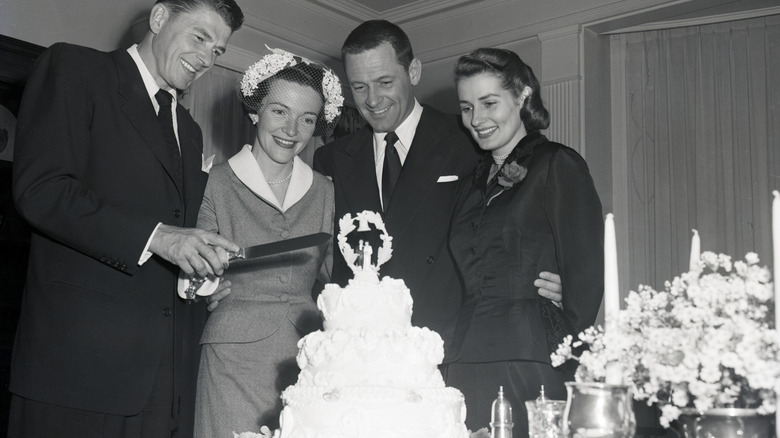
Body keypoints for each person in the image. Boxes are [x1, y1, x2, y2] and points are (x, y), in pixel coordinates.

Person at [8, 1, 244, 437]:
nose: (207, 59)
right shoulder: (76, 69)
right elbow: (42, 189)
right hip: (78, 376)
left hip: (164, 383)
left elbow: (174, 233)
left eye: (219, 51)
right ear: (158, 19)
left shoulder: (188, 130)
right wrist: (159, 238)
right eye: (199, 37)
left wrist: (198, 275)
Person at [313, 20, 563, 343]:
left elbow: (520, 217)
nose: (372, 99)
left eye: (384, 82)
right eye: (359, 87)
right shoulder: (332, 158)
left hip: (447, 343)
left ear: (413, 72)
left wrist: (555, 277)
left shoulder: (470, 141)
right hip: (362, 350)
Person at [445, 48, 604, 436]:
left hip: (531, 355)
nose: (476, 120)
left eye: (489, 103)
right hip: (464, 356)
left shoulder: (557, 164)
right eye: (467, 108)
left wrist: (567, 326)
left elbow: (586, 276)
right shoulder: (470, 182)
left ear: (523, 96)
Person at [191, 47, 342, 437]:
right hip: (232, 358)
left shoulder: (325, 191)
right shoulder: (215, 182)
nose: (291, 130)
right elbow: (193, 267)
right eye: (279, 112)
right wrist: (203, 288)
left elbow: (330, 278)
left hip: (305, 358)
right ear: (255, 110)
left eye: (307, 119)